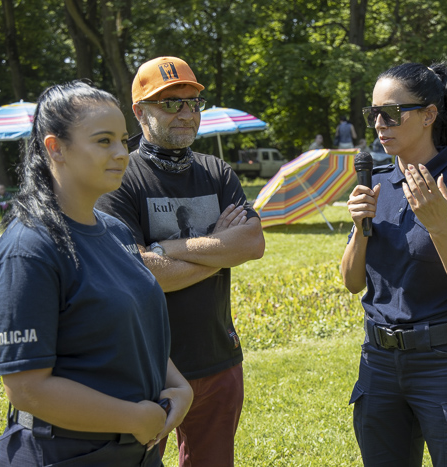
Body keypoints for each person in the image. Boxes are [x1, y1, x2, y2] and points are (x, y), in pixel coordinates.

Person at [0, 81, 193, 466]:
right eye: (103, 141)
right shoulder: (29, 248)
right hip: (63, 453)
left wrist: (179, 387)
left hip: (136, 451)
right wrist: (132, 417)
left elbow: (137, 325)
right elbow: (26, 388)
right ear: (55, 148)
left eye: (122, 140)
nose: (121, 153)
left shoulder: (116, 230)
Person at [96, 56, 265, 467]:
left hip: (218, 358)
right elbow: (138, 273)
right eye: (171, 103)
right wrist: (221, 250)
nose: (186, 114)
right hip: (145, 366)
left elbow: (252, 243)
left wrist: (167, 248)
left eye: (193, 103)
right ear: (140, 112)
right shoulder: (119, 178)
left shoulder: (217, 171)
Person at [341, 62, 447, 466]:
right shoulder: (376, 182)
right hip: (378, 362)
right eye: (373, 113)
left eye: (391, 113)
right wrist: (360, 229)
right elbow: (352, 282)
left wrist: (438, 225)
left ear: (429, 115)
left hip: (446, 362)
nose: (379, 124)